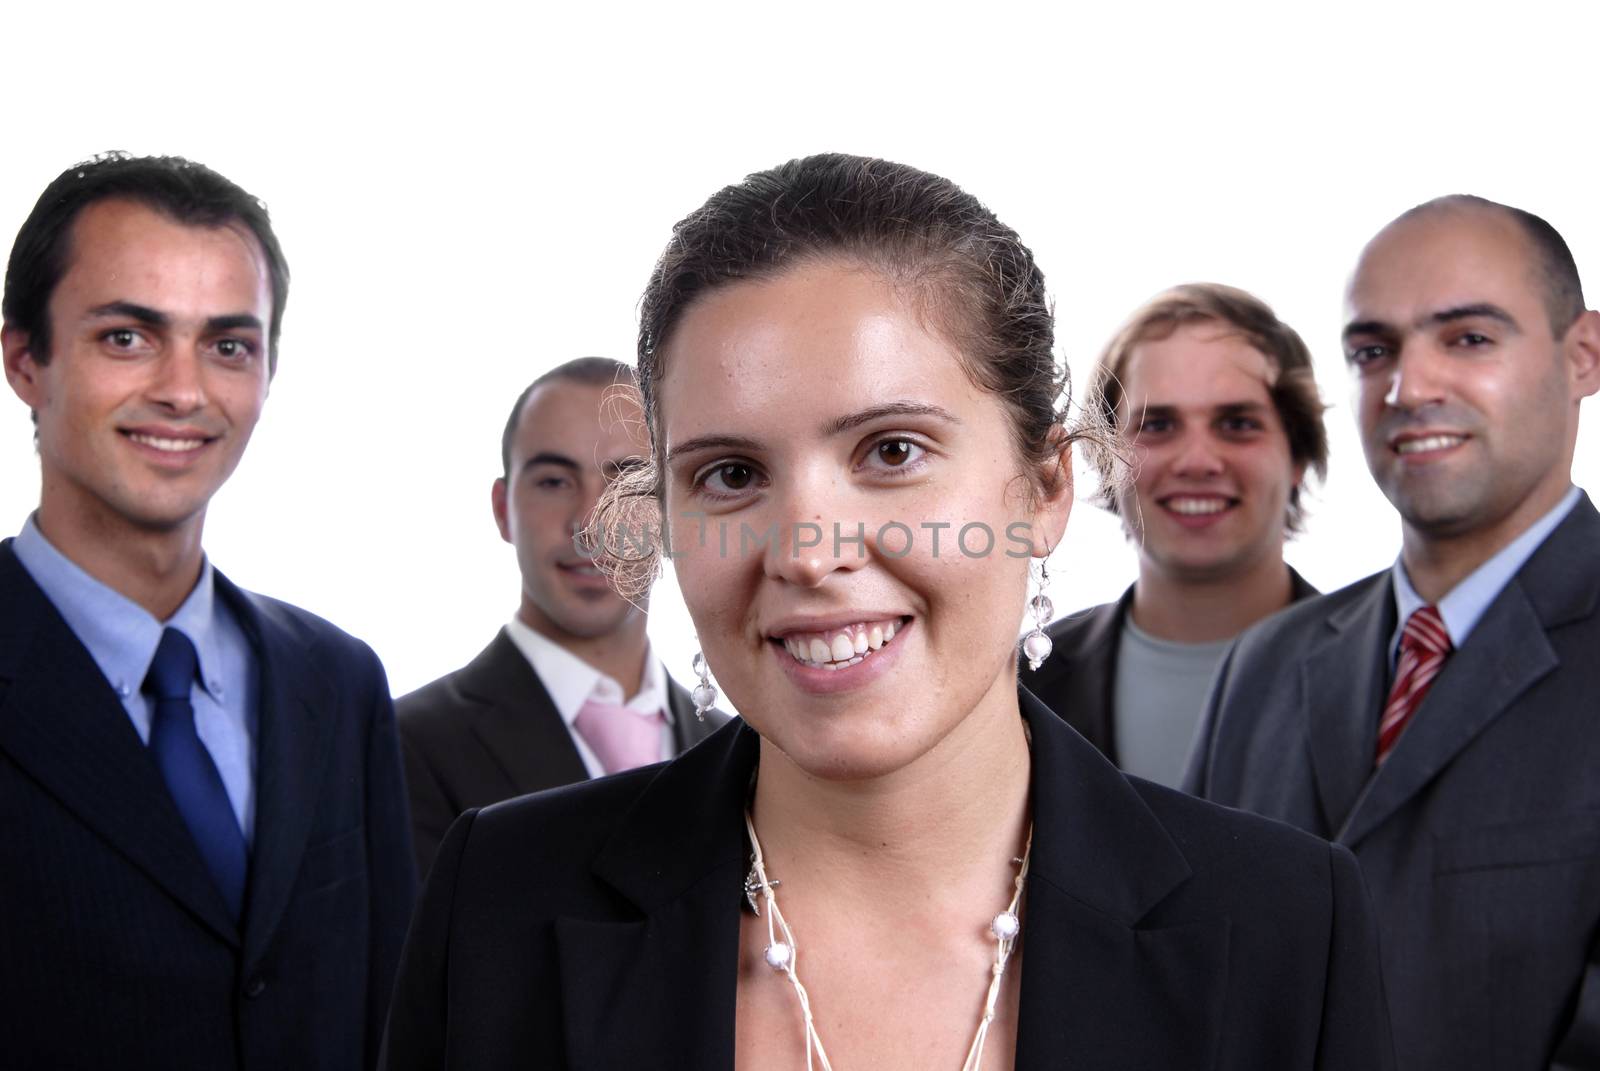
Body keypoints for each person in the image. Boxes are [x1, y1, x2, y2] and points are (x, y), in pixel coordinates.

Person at [381, 154, 1392, 1070]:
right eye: (731, 473)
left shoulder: (1284, 929)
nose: (809, 553)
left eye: (891, 453)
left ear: (1041, 489)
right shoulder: (500, 905)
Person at [0, 153, 415, 1070]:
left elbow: (396, 1017)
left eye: (228, 345)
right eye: (128, 337)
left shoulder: (338, 682)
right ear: (26, 359)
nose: (184, 391)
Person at [1185, 195, 1600, 1071]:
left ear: (1583, 356)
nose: (1410, 389)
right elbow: (1182, 977)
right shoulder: (1265, 664)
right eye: (1374, 352)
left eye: (1469, 339)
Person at [396, 357, 727, 877]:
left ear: (671, 510)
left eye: (628, 481)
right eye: (553, 481)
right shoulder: (404, 746)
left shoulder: (744, 750)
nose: (592, 523)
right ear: (504, 509)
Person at [1029, 284, 1326, 785]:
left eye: (1236, 423)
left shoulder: (1395, 671)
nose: (1196, 462)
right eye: (1158, 424)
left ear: (1296, 455)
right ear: (1105, 455)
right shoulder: (1019, 688)